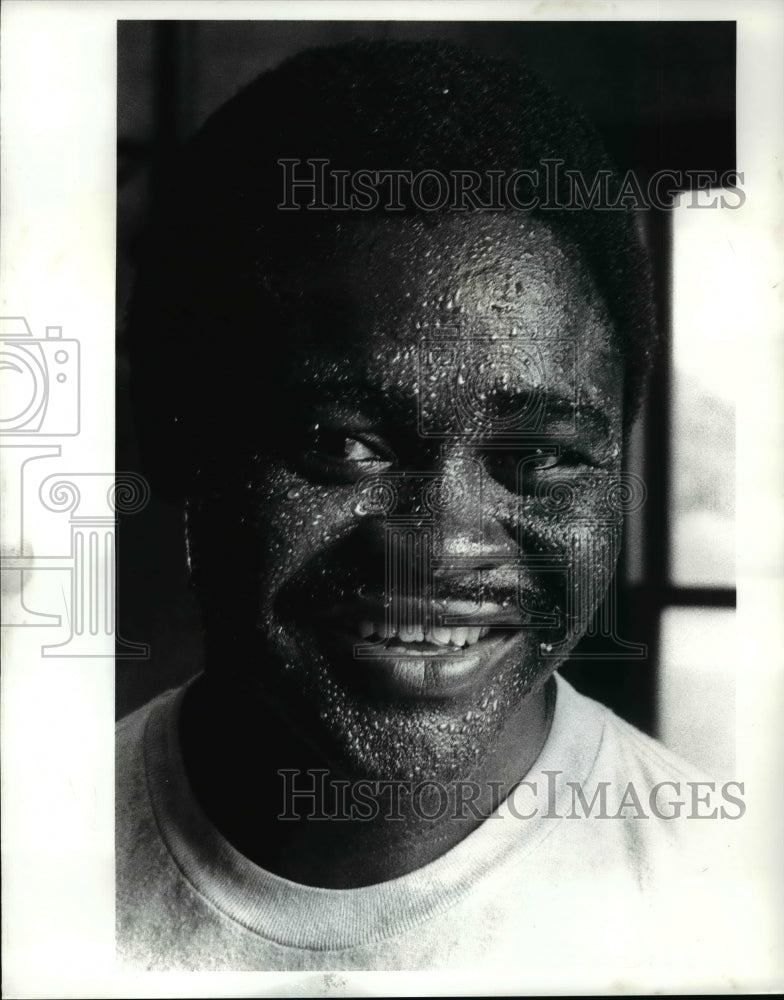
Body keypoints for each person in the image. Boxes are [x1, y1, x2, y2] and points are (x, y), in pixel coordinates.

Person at [117, 39, 736, 980]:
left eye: (539, 458)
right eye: (338, 443)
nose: (441, 546)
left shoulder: (724, 916)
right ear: (176, 438)